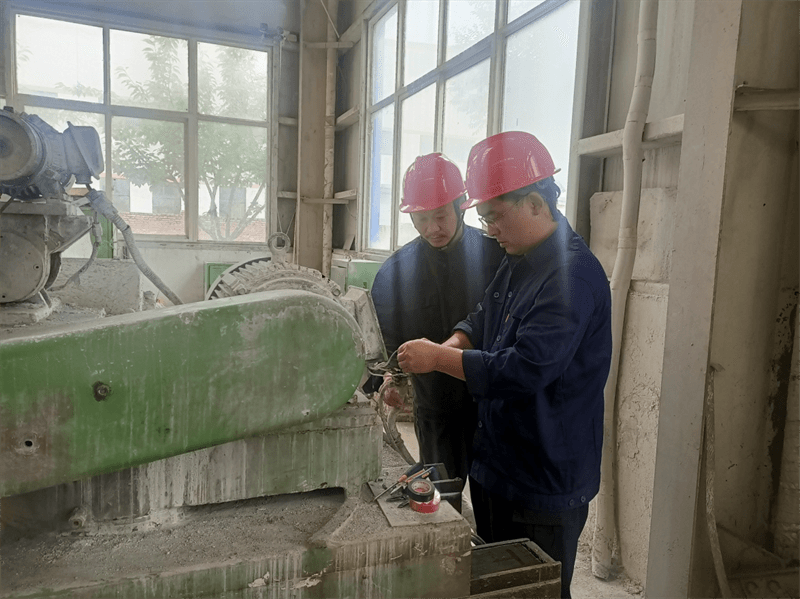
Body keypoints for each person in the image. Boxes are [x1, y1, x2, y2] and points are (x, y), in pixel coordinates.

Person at [396, 132, 612, 598]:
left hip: (543, 478)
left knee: (536, 588)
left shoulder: (572, 277)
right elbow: (482, 317)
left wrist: (439, 357)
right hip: (498, 465)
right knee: (497, 585)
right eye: (484, 218)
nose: (490, 229)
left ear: (535, 203)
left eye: (495, 216)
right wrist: (452, 342)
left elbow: (523, 369)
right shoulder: (519, 259)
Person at [370, 152, 505, 489]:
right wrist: (390, 379)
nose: (432, 228)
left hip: (494, 406)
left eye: (441, 216)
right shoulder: (394, 273)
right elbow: (385, 339)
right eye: (421, 219)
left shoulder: (498, 258)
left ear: (461, 206)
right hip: (436, 408)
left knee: (494, 501)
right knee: (442, 496)